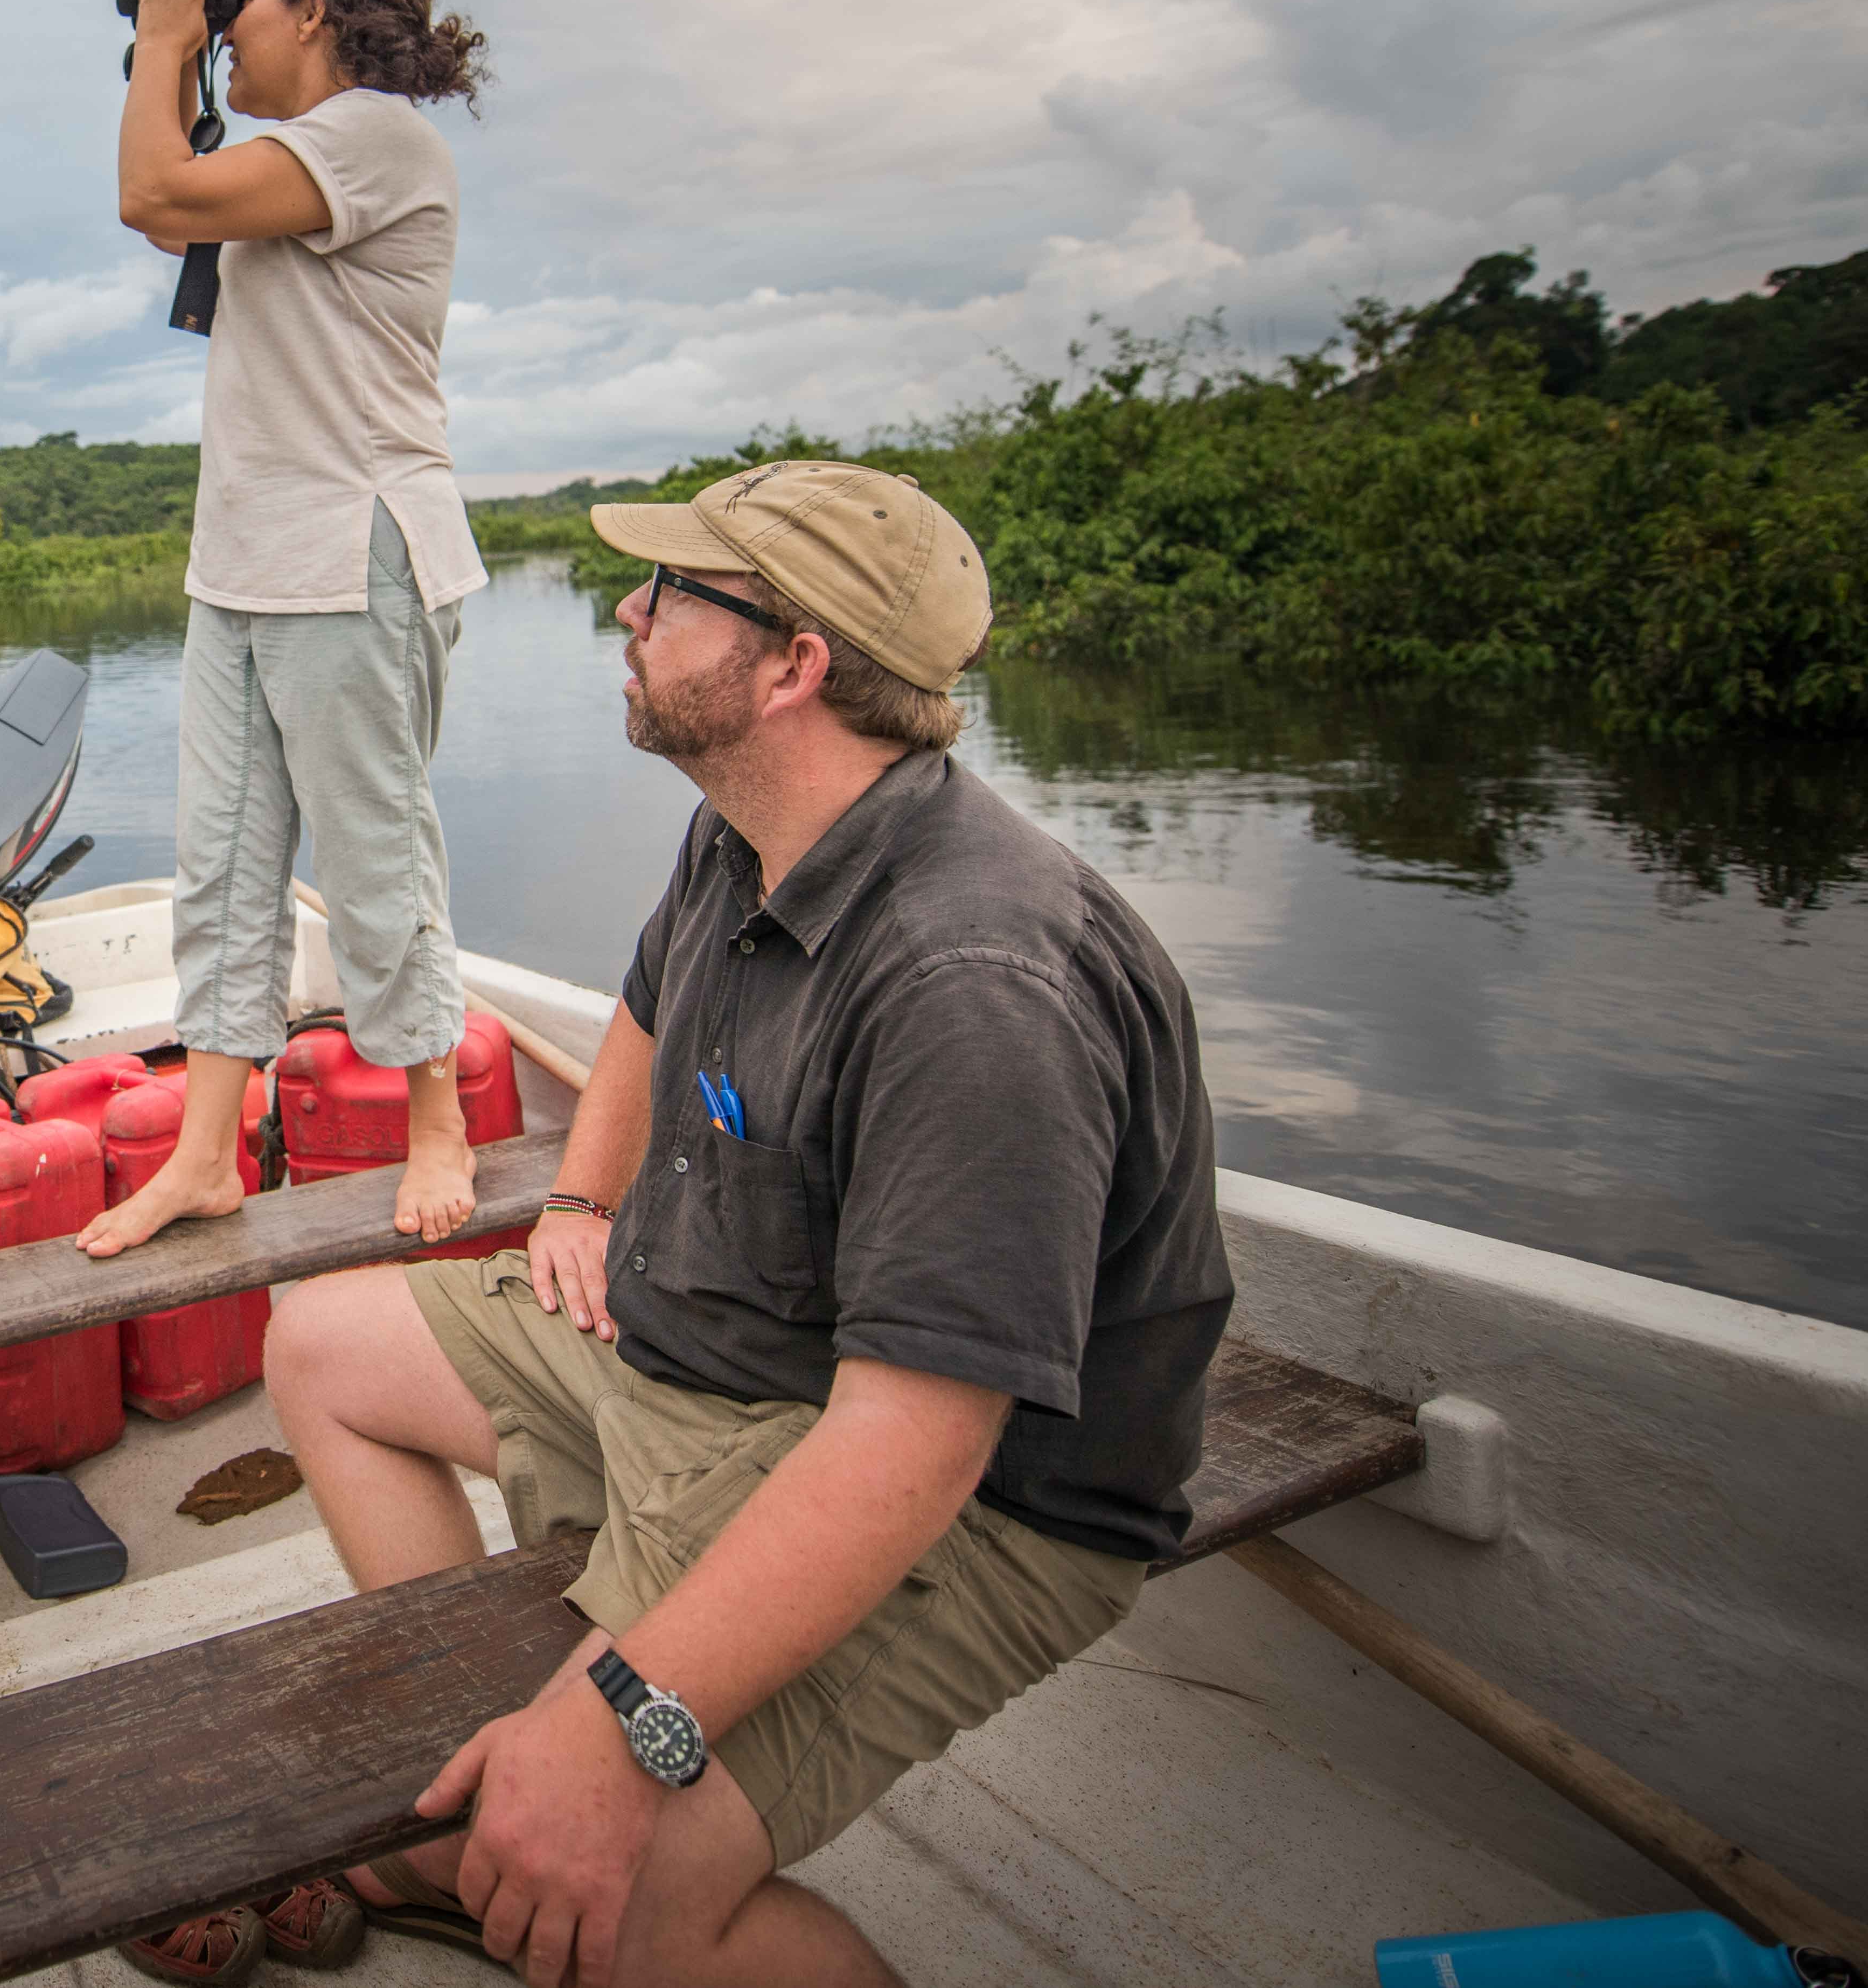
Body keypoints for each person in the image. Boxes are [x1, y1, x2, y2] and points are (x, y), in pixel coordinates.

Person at [260, 462, 1233, 1986]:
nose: (624, 612)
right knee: (318, 1337)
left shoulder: (971, 985)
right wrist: (579, 1199)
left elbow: (909, 1447)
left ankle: (552, 1800)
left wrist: (624, 1721)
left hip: (961, 1501)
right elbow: (648, 1009)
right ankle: (498, 1797)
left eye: (671, 595)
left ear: (794, 667)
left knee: (628, 1900)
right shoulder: (751, 820)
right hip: (709, 1355)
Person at [80, 0, 497, 1262]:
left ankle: (436, 1118)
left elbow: (153, 190)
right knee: (223, 868)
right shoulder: (292, 159)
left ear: (314, 10)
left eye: (243, 2)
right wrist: (185, 61)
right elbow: (170, 213)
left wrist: (158, 44)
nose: (226, 25)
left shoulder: (377, 136)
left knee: (376, 851)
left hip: (355, 550)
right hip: (247, 562)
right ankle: (208, 1153)